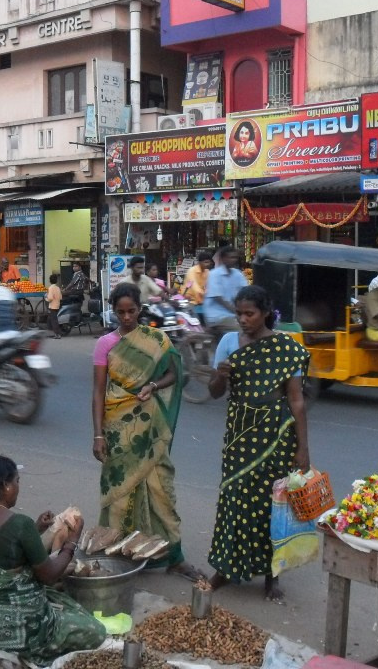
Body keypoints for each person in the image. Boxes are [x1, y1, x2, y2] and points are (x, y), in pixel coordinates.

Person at [0, 455, 106, 664]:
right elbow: (49, 575)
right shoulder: (20, 525)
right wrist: (71, 542)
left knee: (56, 600)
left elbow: (3, 548)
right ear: (6, 486)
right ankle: (30, 649)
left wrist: (37, 528)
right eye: (17, 481)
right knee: (94, 630)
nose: (18, 486)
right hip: (21, 627)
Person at [206, 285, 310, 600]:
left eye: (249, 313)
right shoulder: (227, 343)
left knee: (271, 505)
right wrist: (221, 376)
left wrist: (303, 448)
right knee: (234, 498)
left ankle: (271, 576)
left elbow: (296, 401)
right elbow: (214, 392)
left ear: (265, 313)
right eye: (238, 313)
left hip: (276, 434)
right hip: (239, 434)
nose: (242, 319)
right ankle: (226, 568)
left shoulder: (285, 348)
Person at [91, 282, 201, 580]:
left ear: (140, 309)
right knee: (120, 494)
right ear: (113, 311)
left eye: (131, 311)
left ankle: (173, 556)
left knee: (161, 489)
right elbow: (98, 392)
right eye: (120, 312)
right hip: (117, 429)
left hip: (150, 429)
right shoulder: (105, 344)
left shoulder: (157, 339)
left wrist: (152, 385)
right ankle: (116, 555)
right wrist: (98, 434)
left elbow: (173, 374)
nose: (126, 317)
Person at [203, 246, 248, 339]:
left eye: (235, 257)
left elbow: (246, 292)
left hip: (232, 314)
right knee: (242, 331)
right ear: (223, 259)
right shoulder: (214, 275)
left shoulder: (238, 274)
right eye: (231, 257)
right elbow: (219, 299)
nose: (234, 260)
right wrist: (237, 311)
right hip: (217, 316)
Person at [182, 251, 213, 317]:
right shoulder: (191, 271)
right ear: (200, 262)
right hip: (190, 300)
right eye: (205, 262)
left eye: (209, 262)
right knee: (195, 319)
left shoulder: (207, 272)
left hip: (201, 300)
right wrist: (206, 295)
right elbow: (195, 287)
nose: (208, 264)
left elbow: (210, 285)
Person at [45, 273, 62, 338]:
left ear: (50, 281)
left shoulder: (51, 288)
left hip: (52, 306)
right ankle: (51, 332)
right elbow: (60, 297)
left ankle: (57, 334)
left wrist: (46, 298)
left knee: (54, 320)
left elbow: (50, 298)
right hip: (57, 305)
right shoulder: (58, 288)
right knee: (51, 319)